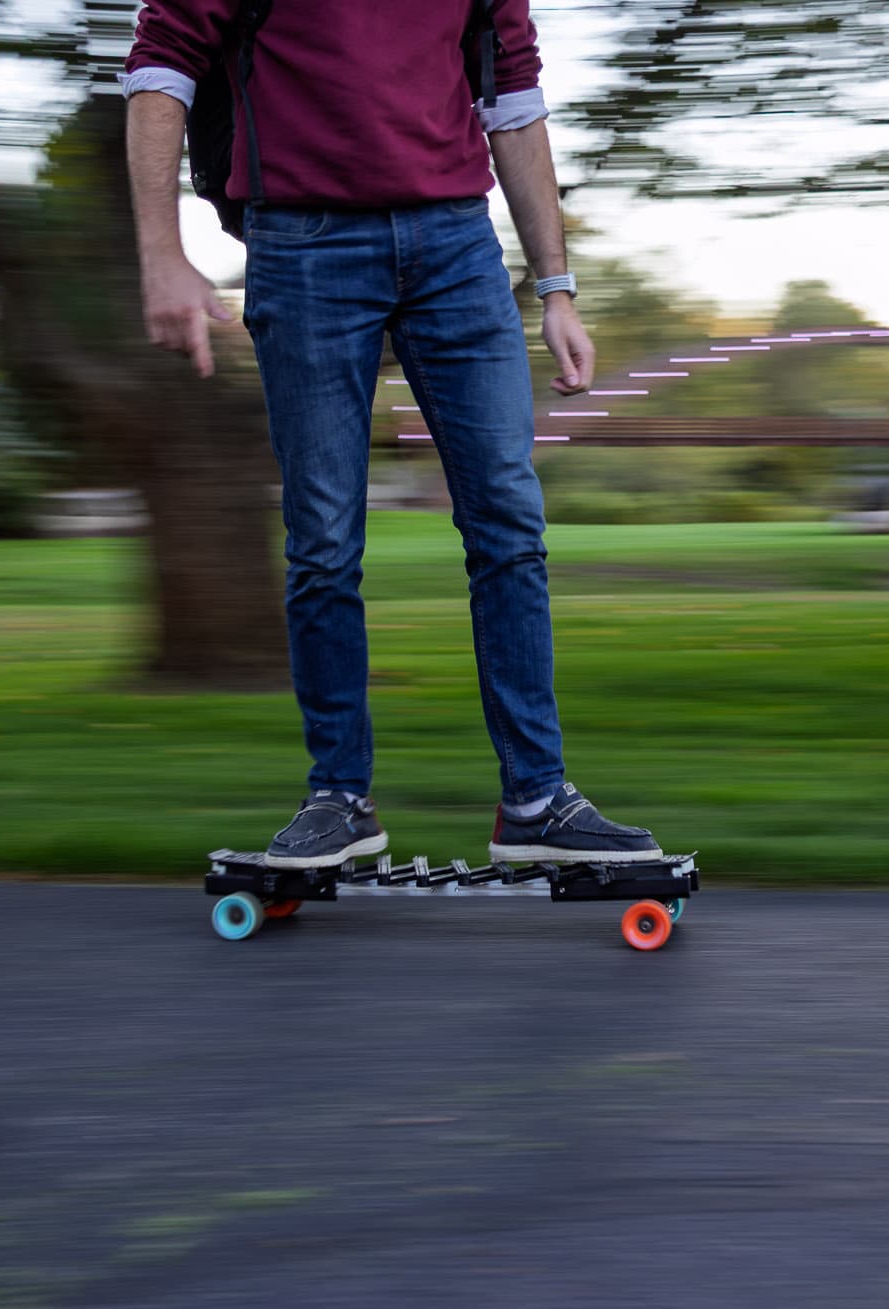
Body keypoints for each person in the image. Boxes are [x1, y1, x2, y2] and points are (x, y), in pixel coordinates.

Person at [122, 0, 663, 869]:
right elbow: (160, 70)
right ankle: (338, 796)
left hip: (455, 242)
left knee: (509, 526)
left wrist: (556, 287)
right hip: (303, 242)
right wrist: (159, 252)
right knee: (325, 539)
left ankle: (536, 796)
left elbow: (514, 101)